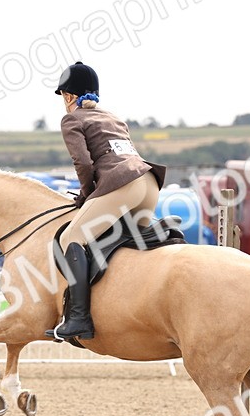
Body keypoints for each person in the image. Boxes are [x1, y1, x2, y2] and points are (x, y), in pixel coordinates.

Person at [49, 61, 166, 340]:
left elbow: (84, 163)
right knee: (126, 238)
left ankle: (78, 318)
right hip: (148, 183)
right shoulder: (113, 117)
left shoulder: (72, 119)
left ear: (68, 96)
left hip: (121, 185)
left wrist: (86, 195)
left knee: (70, 239)